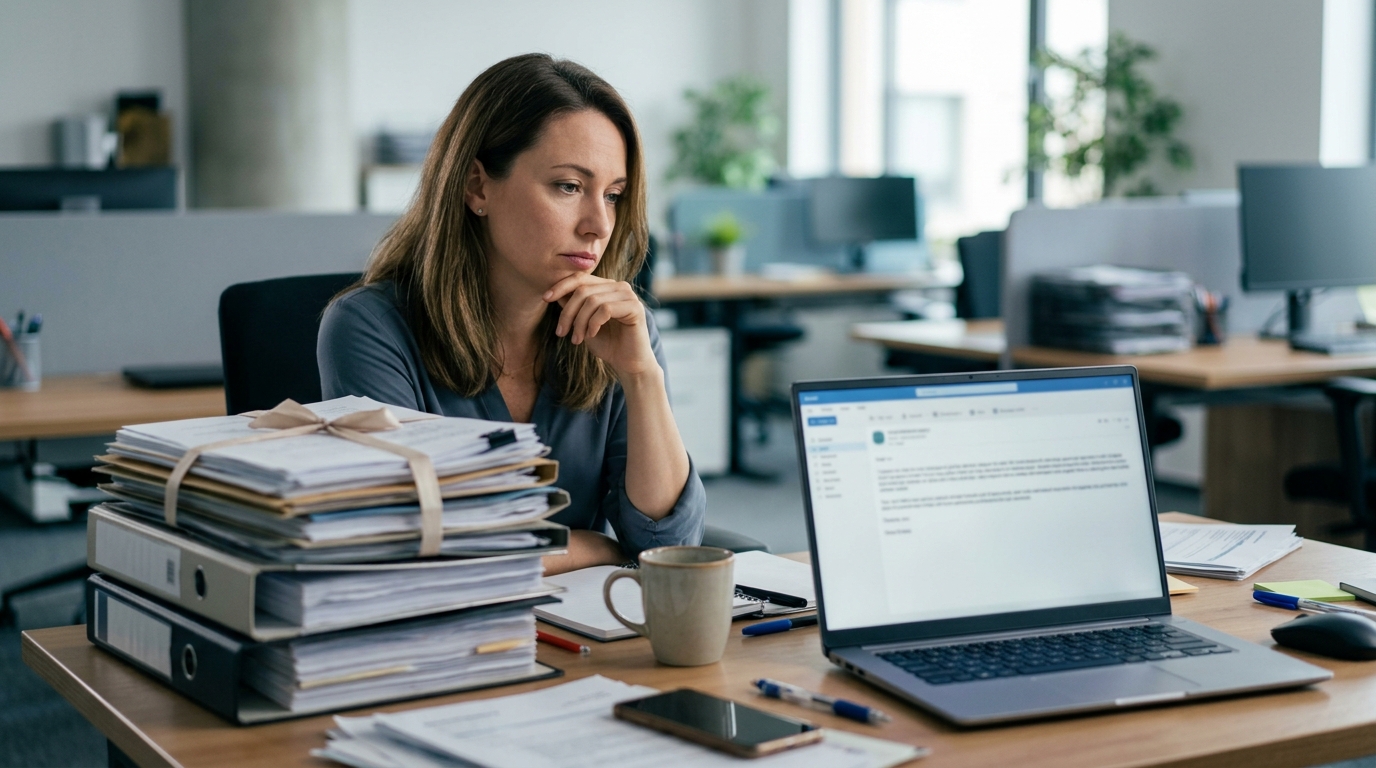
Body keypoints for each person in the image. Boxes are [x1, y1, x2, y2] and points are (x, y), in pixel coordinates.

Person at [318, 54, 704, 575]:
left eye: (613, 196)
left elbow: (669, 543)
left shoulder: (619, 329)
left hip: (593, 638)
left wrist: (641, 377)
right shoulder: (371, 329)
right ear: (478, 188)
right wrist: (598, 548)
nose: (598, 225)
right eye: (569, 186)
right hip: (445, 643)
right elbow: (412, 546)